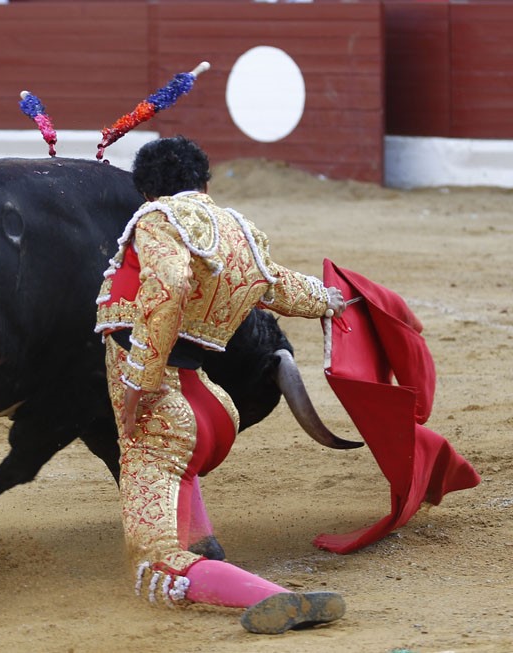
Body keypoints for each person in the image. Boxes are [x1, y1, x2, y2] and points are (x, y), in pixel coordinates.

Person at [95, 136, 348, 635]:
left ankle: (279, 599)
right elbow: (274, 285)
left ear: (144, 192)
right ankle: (203, 543)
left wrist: (139, 383)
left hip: (164, 411)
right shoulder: (240, 230)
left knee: (154, 569)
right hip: (210, 408)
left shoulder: (156, 220)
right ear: (205, 183)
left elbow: (167, 286)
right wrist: (327, 299)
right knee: (176, 476)